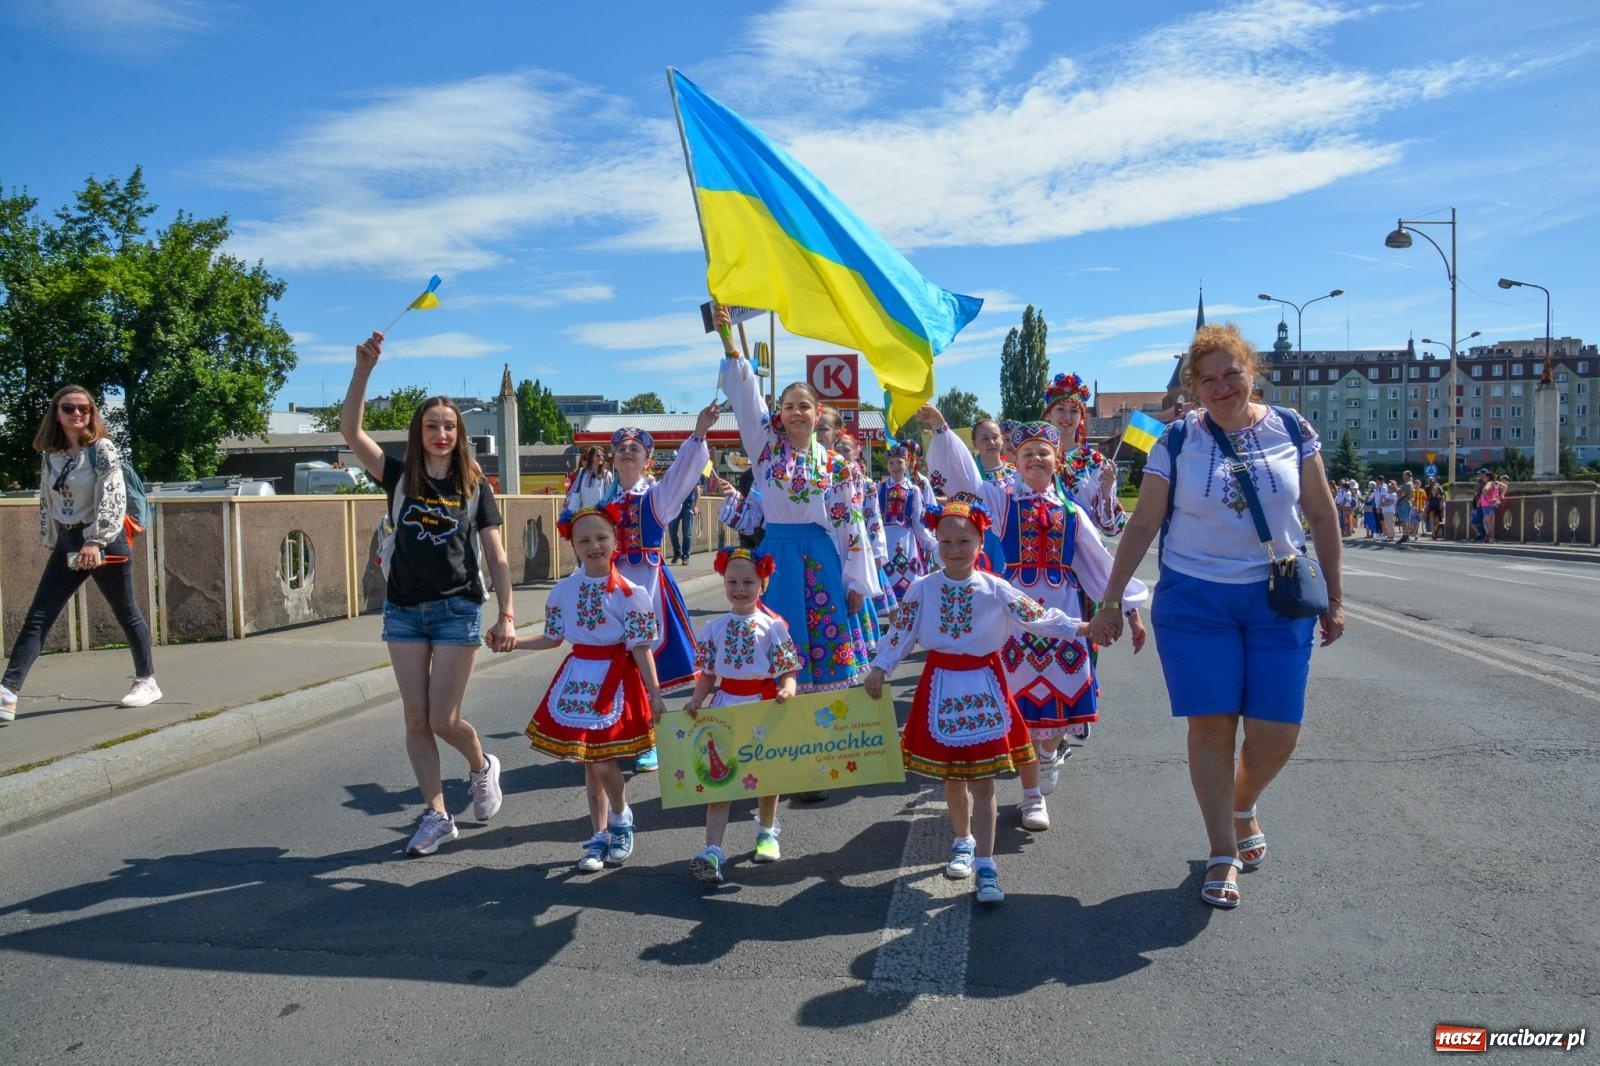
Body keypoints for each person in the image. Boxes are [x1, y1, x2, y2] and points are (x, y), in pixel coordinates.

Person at [1088, 322, 1345, 909]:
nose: (1223, 386)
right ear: (1194, 388)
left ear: (1251, 371)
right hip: (1196, 601)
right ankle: (1221, 849)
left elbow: (1323, 517)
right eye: (1209, 379)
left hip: (1278, 600)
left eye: (1233, 373)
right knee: (1211, 726)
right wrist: (1110, 599)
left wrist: (1335, 597)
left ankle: (1243, 801)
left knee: (1278, 733)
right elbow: (1144, 523)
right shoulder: (1175, 440)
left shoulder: (1291, 429)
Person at [921, 407, 1148, 831]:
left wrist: (1128, 611)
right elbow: (965, 481)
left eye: (1043, 453)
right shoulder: (1002, 502)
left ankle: (1047, 760)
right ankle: (1030, 797)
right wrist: (942, 430)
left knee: (1059, 705)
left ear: (1055, 459)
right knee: (1020, 708)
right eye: (1026, 455)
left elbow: (1101, 566)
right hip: (1014, 618)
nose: (1035, 461)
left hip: (1062, 615)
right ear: (1015, 462)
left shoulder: (1072, 513)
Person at [865, 497, 1089, 904]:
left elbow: (1035, 615)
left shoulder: (995, 587)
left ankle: (987, 864)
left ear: (980, 542)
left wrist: (1080, 628)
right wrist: (881, 666)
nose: (954, 549)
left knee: (984, 783)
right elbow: (901, 633)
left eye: (963, 541)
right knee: (954, 779)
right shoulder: (923, 588)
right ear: (934, 542)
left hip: (984, 686)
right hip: (940, 685)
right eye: (945, 541)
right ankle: (963, 840)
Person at [341, 333, 512, 857]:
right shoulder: (397, 475)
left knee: (444, 720)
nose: (441, 433)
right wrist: (363, 369)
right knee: (415, 720)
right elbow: (350, 431)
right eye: (432, 425)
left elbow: (497, 555)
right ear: (419, 432)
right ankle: (437, 815)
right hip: (404, 612)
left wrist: (506, 614)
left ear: (460, 434)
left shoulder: (474, 485)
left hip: (458, 609)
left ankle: (481, 765)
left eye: (449, 426)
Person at [717, 305, 873, 694]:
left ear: (818, 413)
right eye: (789, 407)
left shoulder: (838, 466)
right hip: (776, 558)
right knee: (775, 640)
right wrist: (728, 340)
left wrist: (855, 582)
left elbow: (851, 526)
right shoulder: (765, 450)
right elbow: (748, 401)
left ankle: (821, 732)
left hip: (821, 556)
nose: (797, 412)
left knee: (824, 653)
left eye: (804, 406)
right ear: (780, 415)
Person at [512, 504, 665, 872]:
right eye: (584, 540)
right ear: (573, 546)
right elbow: (553, 638)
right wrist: (514, 642)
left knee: (602, 762)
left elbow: (641, 648)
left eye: (601, 537)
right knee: (589, 763)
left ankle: (621, 817)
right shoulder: (564, 590)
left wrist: (655, 692)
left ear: (615, 541)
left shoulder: (631, 593)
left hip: (615, 681)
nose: (594, 545)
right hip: (579, 675)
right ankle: (599, 835)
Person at [2, 386, 160, 722]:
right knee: (39, 616)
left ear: (92, 414)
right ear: (56, 413)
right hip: (69, 541)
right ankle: (8, 692)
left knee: (126, 611)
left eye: (85, 409)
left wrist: (96, 540)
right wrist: (51, 536)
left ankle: (147, 681)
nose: (77, 414)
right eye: (69, 408)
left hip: (104, 541)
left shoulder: (101, 449)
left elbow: (113, 495)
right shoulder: (51, 455)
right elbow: (48, 499)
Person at [597, 410, 720, 773]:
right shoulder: (602, 505)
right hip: (613, 585)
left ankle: (652, 735)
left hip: (648, 585)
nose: (628, 452)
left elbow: (683, 472)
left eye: (636, 448)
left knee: (649, 656)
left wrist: (698, 432)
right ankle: (624, 731)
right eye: (622, 448)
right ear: (613, 458)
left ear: (648, 459)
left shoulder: (657, 498)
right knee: (617, 658)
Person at [682, 548, 803, 884]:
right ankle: (713, 850)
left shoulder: (773, 627)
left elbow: (788, 668)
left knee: (766, 774)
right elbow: (707, 674)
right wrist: (695, 700)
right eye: (732, 581)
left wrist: (788, 688)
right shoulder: (713, 627)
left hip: (762, 708)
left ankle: (766, 832)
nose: (740, 588)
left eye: (748, 582)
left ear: (762, 585)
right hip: (724, 709)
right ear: (723, 582)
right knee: (719, 778)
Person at [1043, 373, 1126, 537]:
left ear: (1082, 417)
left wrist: (1107, 494)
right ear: (1047, 414)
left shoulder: (1096, 462)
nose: (1067, 417)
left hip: (1083, 554)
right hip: (1042, 553)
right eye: (1060, 409)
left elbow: (1114, 529)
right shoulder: (1034, 458)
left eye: (1074, 410)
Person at [879, 442, 938, 600]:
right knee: (888, 585)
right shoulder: (880, 488)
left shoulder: (914, 490)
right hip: (885, 540)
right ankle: (893, 621)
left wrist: (929, 543)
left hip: (907, 540)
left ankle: (910, 619)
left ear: (906, 463)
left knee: (909, 585)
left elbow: (918, 521)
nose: (895, 466)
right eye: (891, 462)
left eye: (899, 462)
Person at [970, 417, 1015, 571]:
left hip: (1015, 542)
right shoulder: (971, 477)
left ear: (1002, 440)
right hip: (984, 544)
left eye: (995, 437)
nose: (991, 442)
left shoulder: (1016, 473)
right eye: (984, 438)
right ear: (975, 443)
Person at [565, 446, 614, 511]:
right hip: (583, 512)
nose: (601, 457)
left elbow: (610, 494)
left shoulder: (607, 474)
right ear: (591, 457)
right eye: (598, 455)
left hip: (600, 514)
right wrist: (568, 500)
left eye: (603, 456)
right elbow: (574, 488)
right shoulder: (582, 472)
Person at [667, 481, 700, 566]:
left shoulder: (693, 472)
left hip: (688, 506)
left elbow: (697, 491)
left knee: (687, 533)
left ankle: (685, 556)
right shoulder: (676, 471)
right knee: (672, 531)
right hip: (674, 506)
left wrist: (696, 506)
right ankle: (677, 552)